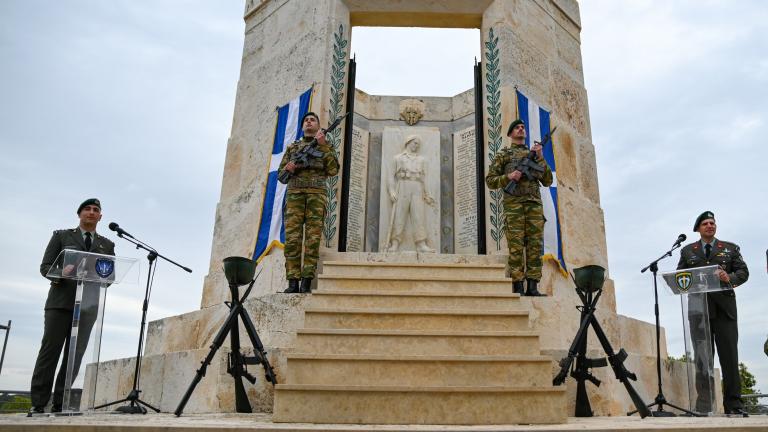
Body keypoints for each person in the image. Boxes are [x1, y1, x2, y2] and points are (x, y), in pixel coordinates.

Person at [29, 198, 115, 414]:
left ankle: (61, 402)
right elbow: (45, 267)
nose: (91, 212)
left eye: (96, 210)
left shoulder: (107, 244)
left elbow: (110, 275)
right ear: (79, 214)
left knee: (74, 355)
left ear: (100, 217)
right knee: (50, 352)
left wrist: (102, 276)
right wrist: (62, 272)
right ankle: (39, 403)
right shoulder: (61, 236)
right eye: (87, 209)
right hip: (60, 303)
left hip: (87, 306)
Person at [677, 211, 749, 416]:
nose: (710, 225)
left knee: (729, 357)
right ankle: (704, 406)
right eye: (705, 223)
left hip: (725, 311)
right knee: (702, 360)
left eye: (712, 223)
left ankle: (734, 404)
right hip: (698, 312)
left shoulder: (730, 248)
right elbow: (680, 277)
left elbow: (743, 272)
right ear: (698, 228)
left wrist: (730, 277)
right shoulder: (687, 251)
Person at [485, 119, 553, 296]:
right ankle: (517, 285)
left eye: (523, 127)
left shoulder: (534, 155)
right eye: (517, 127)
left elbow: (547, 181)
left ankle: (533, 286)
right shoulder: (504, 155)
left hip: (534, 206)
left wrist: (541, 157)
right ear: (510, 134)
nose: (521, 129)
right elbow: (490, 181)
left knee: (535, 246)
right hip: (513, 206)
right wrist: (509, 177)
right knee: (516, 247)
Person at [278, 112, 339, 294]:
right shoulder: (293, 148)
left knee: (312, 240)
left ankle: (306, 281)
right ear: (302, 126)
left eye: (312, 120)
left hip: (316, 196)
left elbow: (333, 169)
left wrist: (323, 146)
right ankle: (292, 281)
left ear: (318, 126)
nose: (309, 122)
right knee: (292, 240)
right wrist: (288, 168)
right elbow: (281, 176)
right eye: (306, 120)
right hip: (295, 195)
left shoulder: (325, 147)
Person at [386, 135, 435, 253]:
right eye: (415, 143)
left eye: (418, 144)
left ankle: (421, 244)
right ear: (408, 142)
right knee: (399, 215)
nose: (417, 146)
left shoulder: (421, 160)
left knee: (419, 216)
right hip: (402, 186)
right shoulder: (398, 158)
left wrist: (428, 194)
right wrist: (391, 191)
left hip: (417, 187)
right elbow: (390, 176)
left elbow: (425, 178)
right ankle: (395, 243)